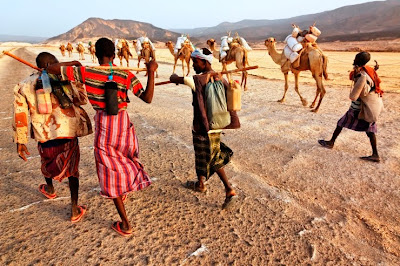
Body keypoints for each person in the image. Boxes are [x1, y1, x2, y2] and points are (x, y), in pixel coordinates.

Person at [47, 37, 158, 237]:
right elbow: (147, 97)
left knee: (109, 168)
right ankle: (124, 190)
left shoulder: (86, 72)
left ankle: (125, 223)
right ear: (114, 54)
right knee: (124, 158)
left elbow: (52, 68)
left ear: (96, 55)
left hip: (105, 125)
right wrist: (151, 72)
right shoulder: (125, 74)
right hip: (123, 123)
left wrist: (72, 64)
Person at [12, 52, 92, 223]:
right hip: (67, 132)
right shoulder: (64, 78)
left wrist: (21, 141)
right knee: (72, 171)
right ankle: (74, 208)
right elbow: (82, 99)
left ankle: (49, 188)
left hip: (44, 135)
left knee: (46, 162)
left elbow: (20, 115)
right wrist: (76, 79)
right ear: (51, 64)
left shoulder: (24, 84)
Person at [169, 48, 239, 209]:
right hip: (217, 123)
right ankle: (200, 183)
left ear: (205, 62)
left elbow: (178, 79)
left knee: (212, 157)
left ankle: (229, 190)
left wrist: (173, 77)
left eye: (196, 61)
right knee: (200, 154)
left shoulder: (198, 79)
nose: (193, 65)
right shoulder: (220, 78)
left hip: (204, 126)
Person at [318, 51, 384, 162]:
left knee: (341, 123)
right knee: (369, 130)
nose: (354, 60)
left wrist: (357, 78)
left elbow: (355, 96)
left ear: (359, 61)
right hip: (371, 106)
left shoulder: (361, 75)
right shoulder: (368, 70)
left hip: (360, 108)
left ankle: (331, 142)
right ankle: (375, 154)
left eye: (356, 58)